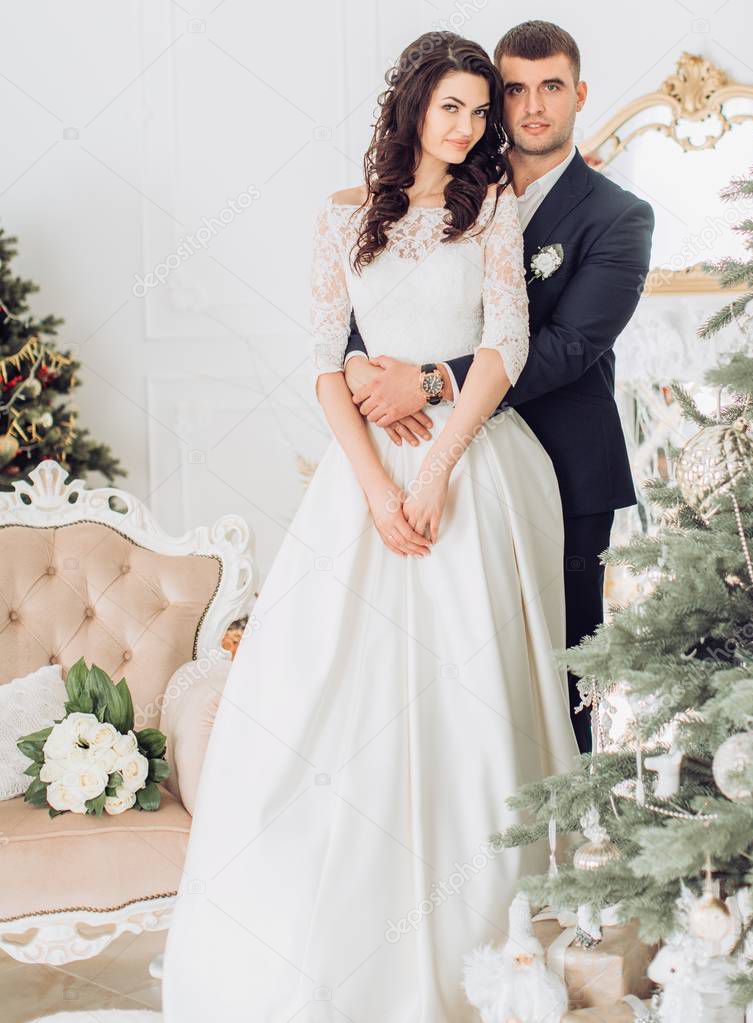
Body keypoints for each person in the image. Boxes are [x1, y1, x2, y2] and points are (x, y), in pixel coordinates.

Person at [161, 30, 579, 1023]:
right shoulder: (343, 218)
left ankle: (488, 925)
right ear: (411, 108)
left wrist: (431, 469)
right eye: (453, 107)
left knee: (467, 692)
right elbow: (319, 357)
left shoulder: (494, 210)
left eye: (481, 110)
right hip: (362, 478)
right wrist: (373, 485)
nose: (471, 125)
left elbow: (503, 344)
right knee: (323, 695)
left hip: (471, 468)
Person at [344, 21, 655, 753]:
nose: (532, 106)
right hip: (434, 460)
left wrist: (428, 382)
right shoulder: (450, 186)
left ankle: (574, 845)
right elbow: (379, 293)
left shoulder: (617, 216)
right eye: (513, 89)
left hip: (564, 467)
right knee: (448, 660)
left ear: (578, 94)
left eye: (551, 87)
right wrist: (359, 363)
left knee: (560, 665)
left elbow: (569, 346)